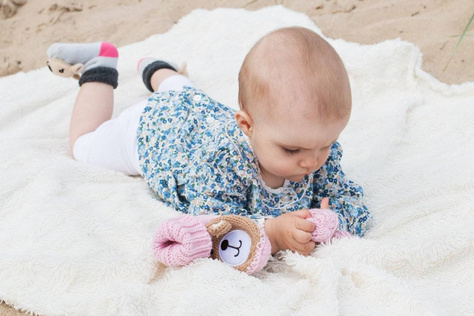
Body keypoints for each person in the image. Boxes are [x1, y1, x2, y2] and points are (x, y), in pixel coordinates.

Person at [46, 26, 372, 256]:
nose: (311, 162)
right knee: (84, 147)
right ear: (248, 126)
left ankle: (159, 70)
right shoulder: (222, 158)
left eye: (326, 144)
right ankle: (100, 64)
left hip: (197, 108)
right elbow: (212, 222)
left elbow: (350, 200)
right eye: (291, 150)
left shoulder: (314, 147)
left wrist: (332, 219)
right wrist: (272, 233)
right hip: (155, 131)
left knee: (186, 94)